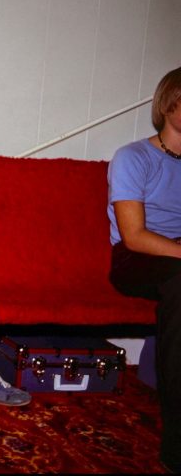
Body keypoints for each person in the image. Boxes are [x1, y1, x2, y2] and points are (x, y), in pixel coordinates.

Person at [107, 66, 181, 474]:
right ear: (169, 105)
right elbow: (134, 236)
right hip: (136, 259)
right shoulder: (133, 157)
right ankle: (176, 448)